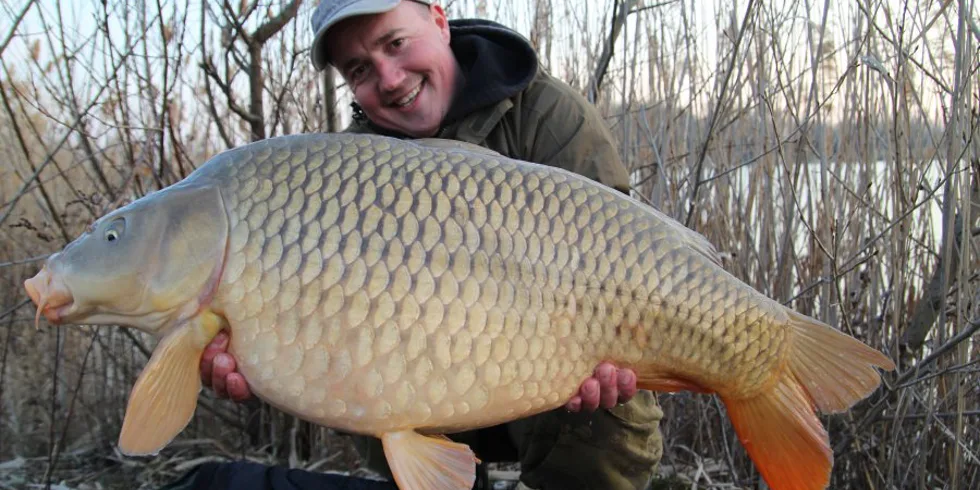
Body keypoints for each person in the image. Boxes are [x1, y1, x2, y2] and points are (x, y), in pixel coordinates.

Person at [182, 1, 665, 489]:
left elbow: (624, 258)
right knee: (364, 357)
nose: (389, 78)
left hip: (552, 368)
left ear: (438, 20)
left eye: (395, 44)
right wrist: (252, 344)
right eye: (360, 69)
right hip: (426, 387)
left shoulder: (545, 113)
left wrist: (605, 346)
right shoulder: (344, 172)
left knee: (608, 404)